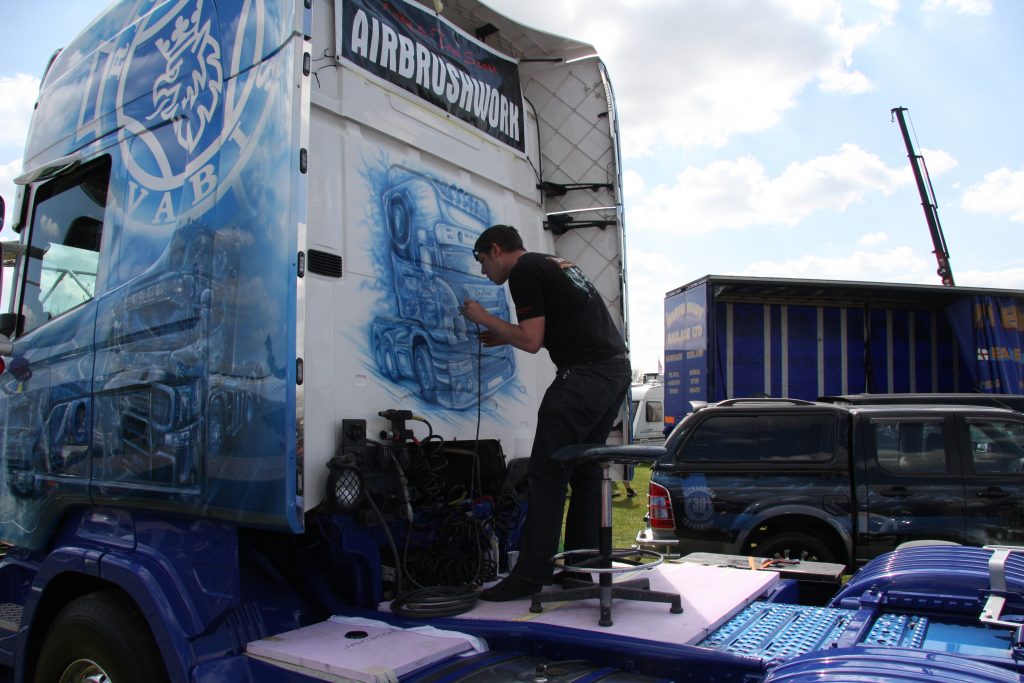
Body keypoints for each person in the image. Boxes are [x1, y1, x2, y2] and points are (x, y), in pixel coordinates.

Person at [460, 224, 631, 601]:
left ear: (495, 249)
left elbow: (532, 341)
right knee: (584, 471)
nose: (483, 271)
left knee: (546, 474)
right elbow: (544, 328)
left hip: (584, 374)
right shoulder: (552, 263)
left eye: (482, 261)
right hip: (614, 370)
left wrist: (484, 318)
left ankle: (528, 577)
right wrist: (503, 332)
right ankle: (580, 571)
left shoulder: (522, 272)